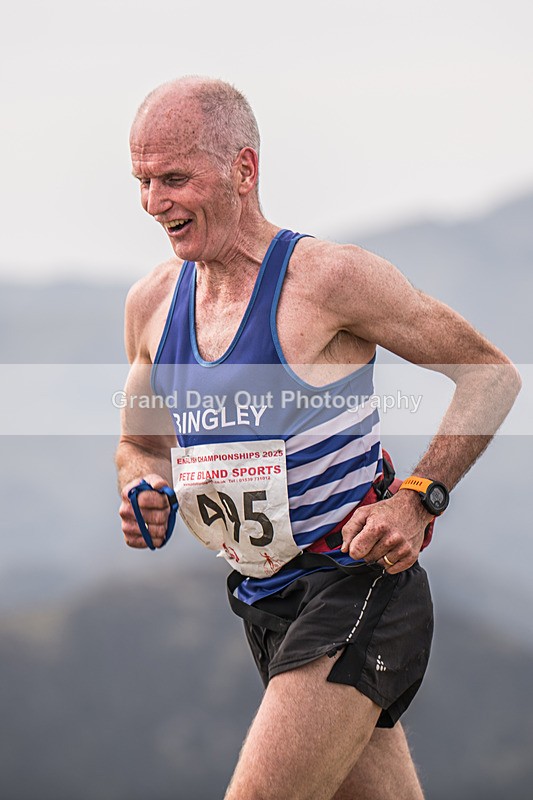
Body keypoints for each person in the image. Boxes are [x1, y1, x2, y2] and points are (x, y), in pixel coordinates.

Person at [116, 76, 521, 800]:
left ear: (243, 169)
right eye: (143, 180)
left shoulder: (327, 280)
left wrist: (416, 498)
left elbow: (490, 375)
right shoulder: (151, 305)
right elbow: (141, 444)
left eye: (174, 178)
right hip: (265, 599)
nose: (154, 202)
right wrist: (142, 488)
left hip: (356, 584)